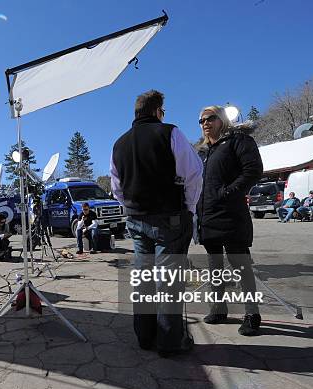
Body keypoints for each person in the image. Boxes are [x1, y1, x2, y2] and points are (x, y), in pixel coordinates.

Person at [111, 89, 202, 356]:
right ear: (157, 110)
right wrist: (189, 208)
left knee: (144, 279)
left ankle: (145, 335)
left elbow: (117, 188)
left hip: (136, 220)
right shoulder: (170, 133)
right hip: (168, 218)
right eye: (163, 111)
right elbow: (194, 173)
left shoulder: (119, 144)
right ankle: (170, 341)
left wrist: (133, 205)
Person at [197, 105, 263, 336]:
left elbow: (253, 170)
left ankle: (252, 314)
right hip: (208, 217)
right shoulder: (204, 152)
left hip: (232, 215)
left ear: (222, 119)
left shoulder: (238, 140)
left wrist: (228, 193)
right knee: (214, 266)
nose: (205, 123)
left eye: (210, 118)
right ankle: (218, 308)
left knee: (241, 266)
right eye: (201, 121)